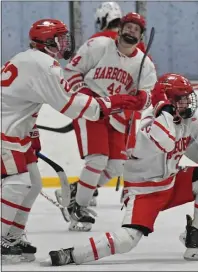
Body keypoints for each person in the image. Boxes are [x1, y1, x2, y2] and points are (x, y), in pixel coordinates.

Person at [46, 73, 198, 266]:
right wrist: (165, 111)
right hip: (144, 193)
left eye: (188, 96)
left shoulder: (190, 120)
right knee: (126, 241)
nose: (187, 102)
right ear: (167, 101)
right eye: (180, 98)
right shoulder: (149, 123)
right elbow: (166, 141)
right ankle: (73, 254)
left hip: (171, 183)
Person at [1, 18, 144, 263]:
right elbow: (72, 105)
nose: (65, 43)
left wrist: (31, 133)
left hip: (16, 130)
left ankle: (13, 236)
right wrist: (115, 102)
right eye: (60, 39)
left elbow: (18, 101)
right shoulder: (44, 66)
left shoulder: (30, 59)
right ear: (47, 42)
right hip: (6, 133)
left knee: (34, 182)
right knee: (19, 181)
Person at [60, 12, 157, 232]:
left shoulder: (144, 64)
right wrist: (84, 95)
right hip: (91, 107)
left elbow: (148, 95)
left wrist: (143, 99)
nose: (131, 31)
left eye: (136, 29)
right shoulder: (98, 46)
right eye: (128, 27)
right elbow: (71, 72)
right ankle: (79, 207)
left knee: (116, 165)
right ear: (120, 29)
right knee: (97, 159)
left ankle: (77, 190)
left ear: (141, 37)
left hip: (117, 115)